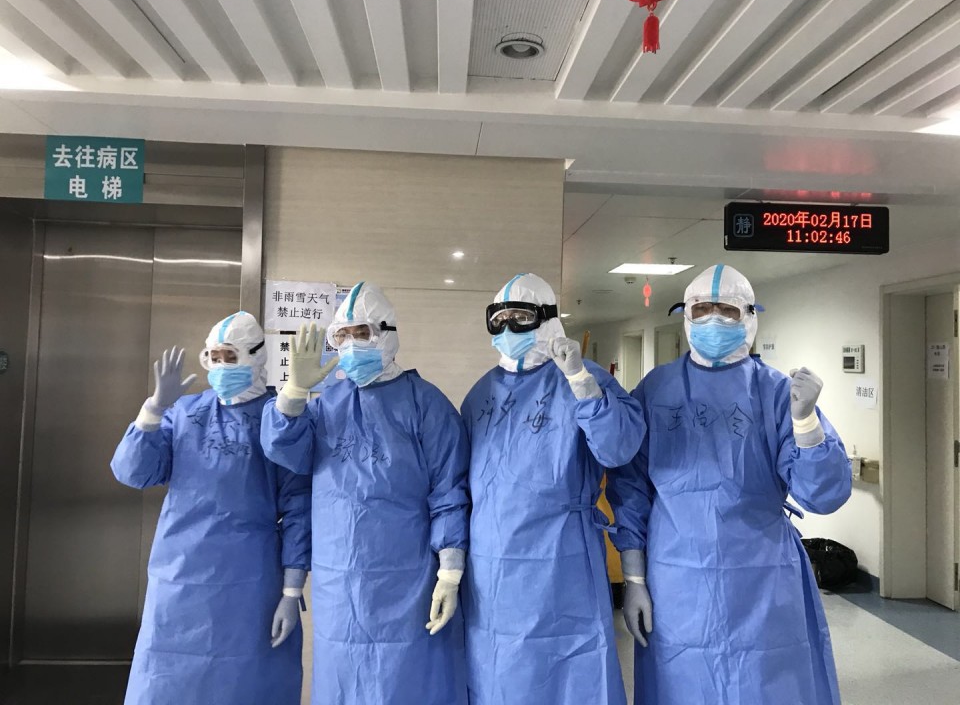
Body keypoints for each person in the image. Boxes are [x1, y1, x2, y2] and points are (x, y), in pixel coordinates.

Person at [608, 264, 851, 705]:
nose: (714, 320)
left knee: (765, 686)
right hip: (677, 581)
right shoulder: (657, 389)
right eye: (702, 309)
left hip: (762, 579)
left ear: (750, 317)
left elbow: (823, 495)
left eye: (727, 310)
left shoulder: (777, 392)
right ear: (685, 316)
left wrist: (806, 423)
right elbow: (631, 490)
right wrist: (634, 578)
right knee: (682, 685)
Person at [260, 281, 470, 705]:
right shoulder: (325, 405)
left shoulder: (426, 403)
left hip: (407, 579)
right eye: (344, 336)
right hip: (338, 583)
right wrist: (293, 394)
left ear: (387, 334)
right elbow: (282, 449)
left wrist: (450, 572)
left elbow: (449, 489)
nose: (353, 344)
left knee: (406, 681)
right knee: (342, 678)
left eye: (363, 333)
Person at [460, 273, 646, 705]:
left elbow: (619, 449)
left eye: (520, 317)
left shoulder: (584, 378)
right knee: (500, 675)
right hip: (492, 566)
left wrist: (582, 383)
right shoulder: (481, 394)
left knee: (573, 674)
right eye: (499, 319)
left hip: (563, 561)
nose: (508, 328)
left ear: (546, 319)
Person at [110, 311, 310, 705]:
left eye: (229, 357)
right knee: (168, 681)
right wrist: (153, 410)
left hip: (250, 583)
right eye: (213, 358)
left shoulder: (278, 420)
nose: (219, 367)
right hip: (179, 575)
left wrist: (291, 590)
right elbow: (134, 473)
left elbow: (298, 508)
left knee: (245, 683)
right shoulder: (185, 412)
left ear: (256, 356)